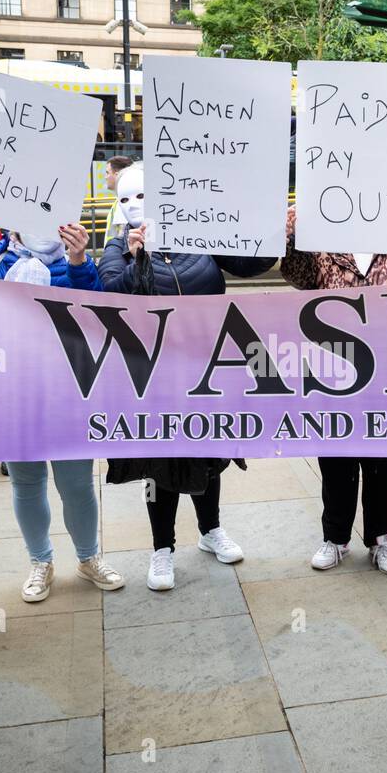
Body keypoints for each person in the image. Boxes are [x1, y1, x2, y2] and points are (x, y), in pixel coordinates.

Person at [97, 164, 275, 591]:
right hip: (152, 379)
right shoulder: (118, 247)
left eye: (141, 195)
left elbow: (250, 262)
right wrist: (136, 258)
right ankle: (162, 550)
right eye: (124, 199)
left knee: (209, 453)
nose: (133, 206)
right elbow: (107, 298)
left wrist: (270, 227)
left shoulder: (201, 237)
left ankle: (210, 529)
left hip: (206, 370)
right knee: (161, 463)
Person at [0, 224, 125, 601]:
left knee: (77, 485)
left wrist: (78, 261)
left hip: (69, 393)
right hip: (14, 395)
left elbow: (98, 312)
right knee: (26, 483)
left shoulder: (78, 261)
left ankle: (88, 558)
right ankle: (40, 562)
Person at [279, 202, 387, 576]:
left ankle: (382, 538)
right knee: (335, 454)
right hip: (333, 367)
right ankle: (335, 537)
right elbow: (297, 275)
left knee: (384, 457)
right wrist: (291, 236)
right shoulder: (324, 242)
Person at [102, 155, 133, 243]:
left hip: (115, 254)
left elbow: (123, 236)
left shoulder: (124, 201)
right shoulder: (123, 199)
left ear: (117, 175)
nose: (105, 177)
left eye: (107, 173)